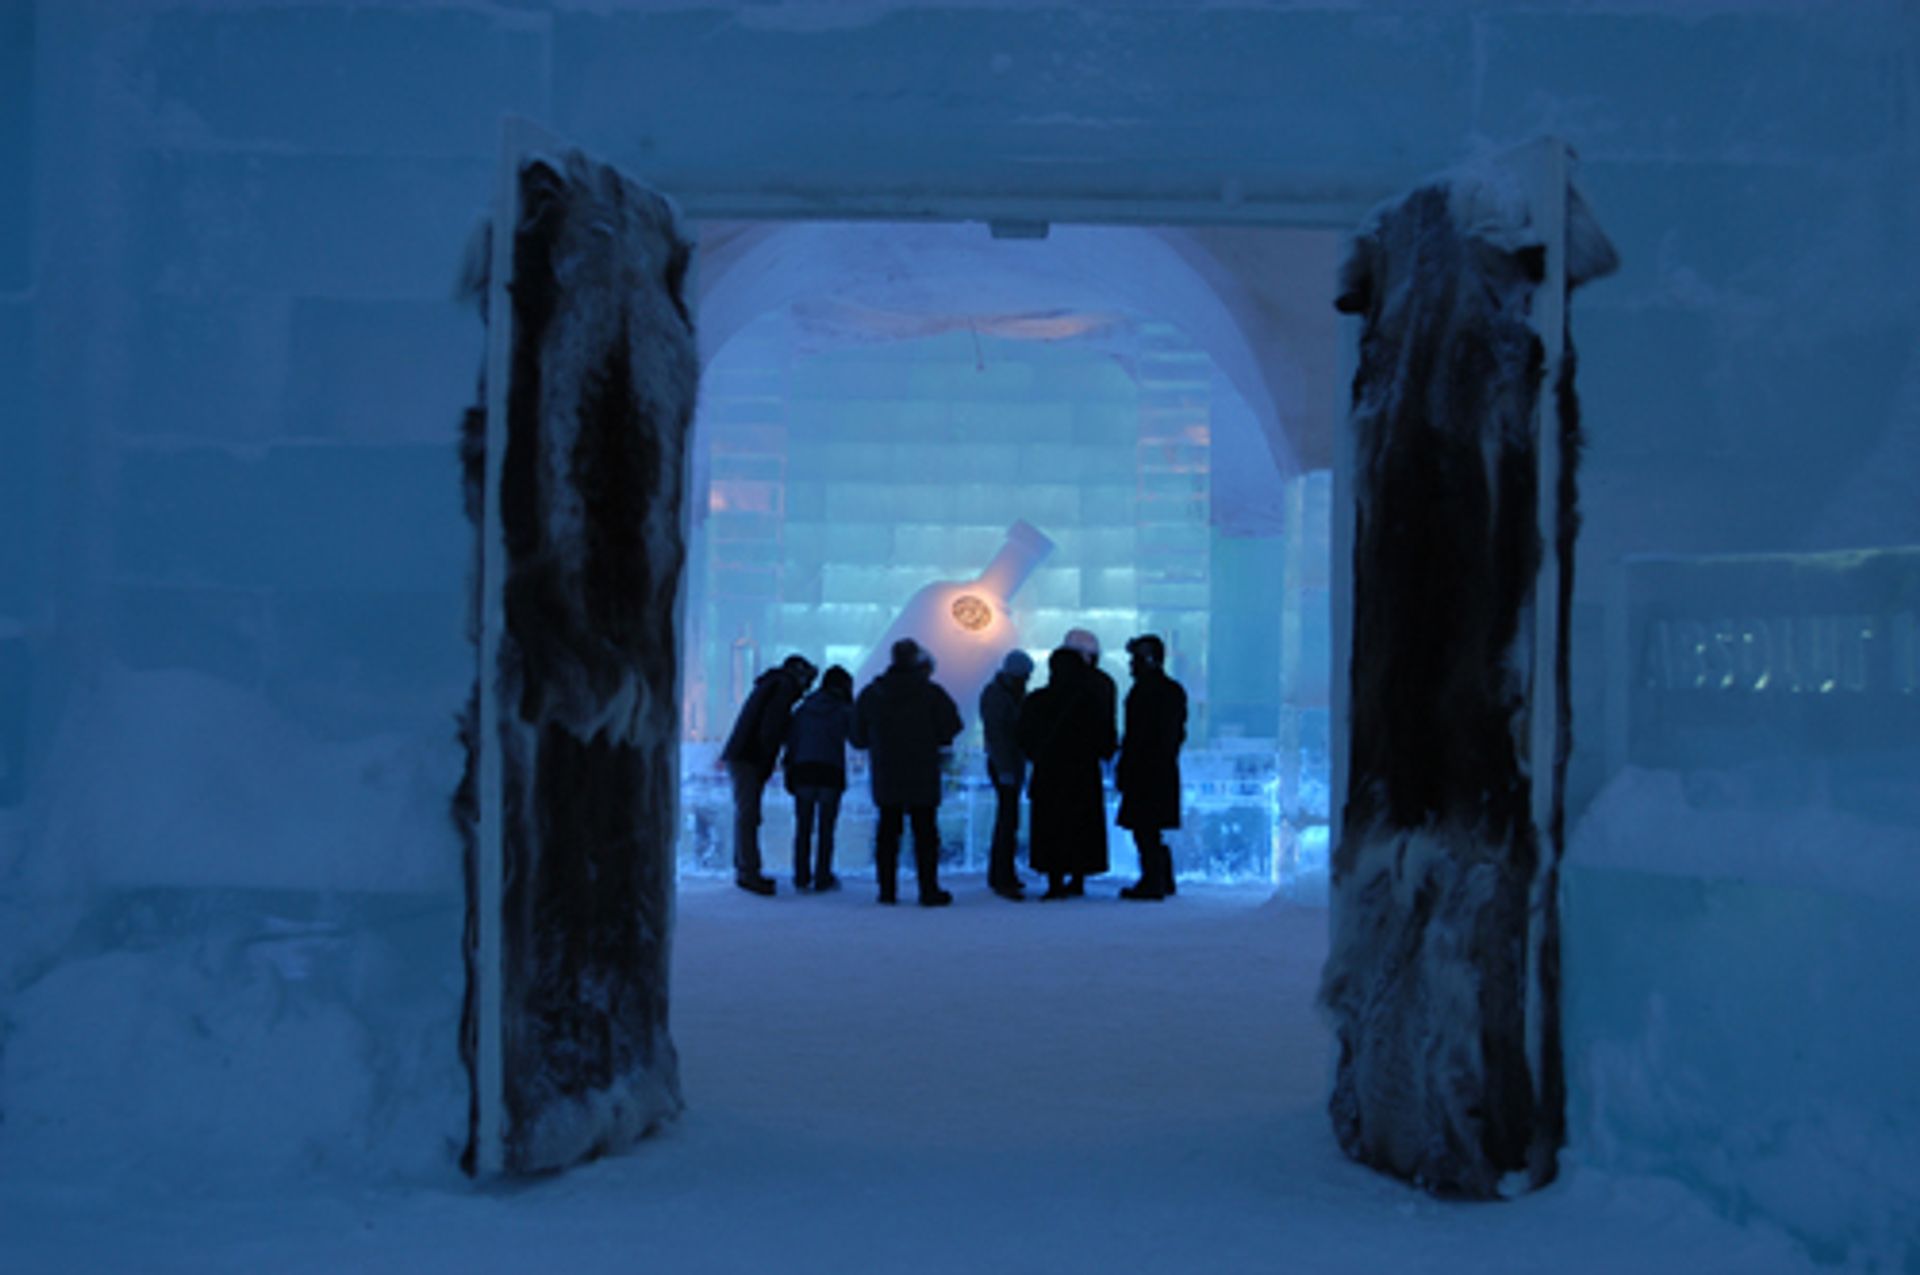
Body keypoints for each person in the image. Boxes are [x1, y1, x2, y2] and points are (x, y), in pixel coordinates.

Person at [851, 637, 963, 907]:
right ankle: (928, 889)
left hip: (887, 774)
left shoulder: (872, 693)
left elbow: (857, 737)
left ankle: (887, 890)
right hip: (922, 773)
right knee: (925, 833)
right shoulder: (932, 693)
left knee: (888, 832)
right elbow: (951, 728)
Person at [1017, 645, 1118, 900]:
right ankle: (1078, 876)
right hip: (1082, 773)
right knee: (1080, 824)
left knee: (1050, 825)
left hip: (1049, 772)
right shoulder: (1089, 701)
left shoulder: (1037, 701)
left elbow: (1023, 737)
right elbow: (1104, 738)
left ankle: (1054, 878)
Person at [720, 653, 817, 895]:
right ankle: (748, 872)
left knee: (746, 814)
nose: (806, 690)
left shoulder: (773, 683)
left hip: (743, 753)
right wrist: (770, 759)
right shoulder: (783, 687)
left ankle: (745, 868)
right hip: (749, 757)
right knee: (749, 815)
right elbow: (770, 728)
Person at [1116, 634, 1187, 901]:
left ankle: (1153, 880)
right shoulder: (1172, 690)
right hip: (1163, 767)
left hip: (1144, 769)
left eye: (1134, 660)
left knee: (1143, 827)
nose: (1131, 666)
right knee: (1150, 827)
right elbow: (1177, 733)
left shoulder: (1144, 692)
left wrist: (1127, 765)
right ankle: (1160, 877)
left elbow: (1137, 735)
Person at [783, 664, 855, 892]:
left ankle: (801, 875)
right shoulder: (844, 710)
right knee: (826, 828)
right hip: (830, 770)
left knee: (803, 827)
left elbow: (791, 741)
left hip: (803, 769)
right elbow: (856, 738)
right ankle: (822, 875)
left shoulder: (803, 709)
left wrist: (789, 769)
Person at [978, 649, 1034, 901]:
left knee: (1008, 820)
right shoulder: (1001, 697)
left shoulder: (1000, 693)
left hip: (1008, 764)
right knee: (1007, 821)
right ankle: (1002, 875)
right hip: (1006, 765)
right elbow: (997, 736)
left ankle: (1002, 873)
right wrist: (1005, 769)